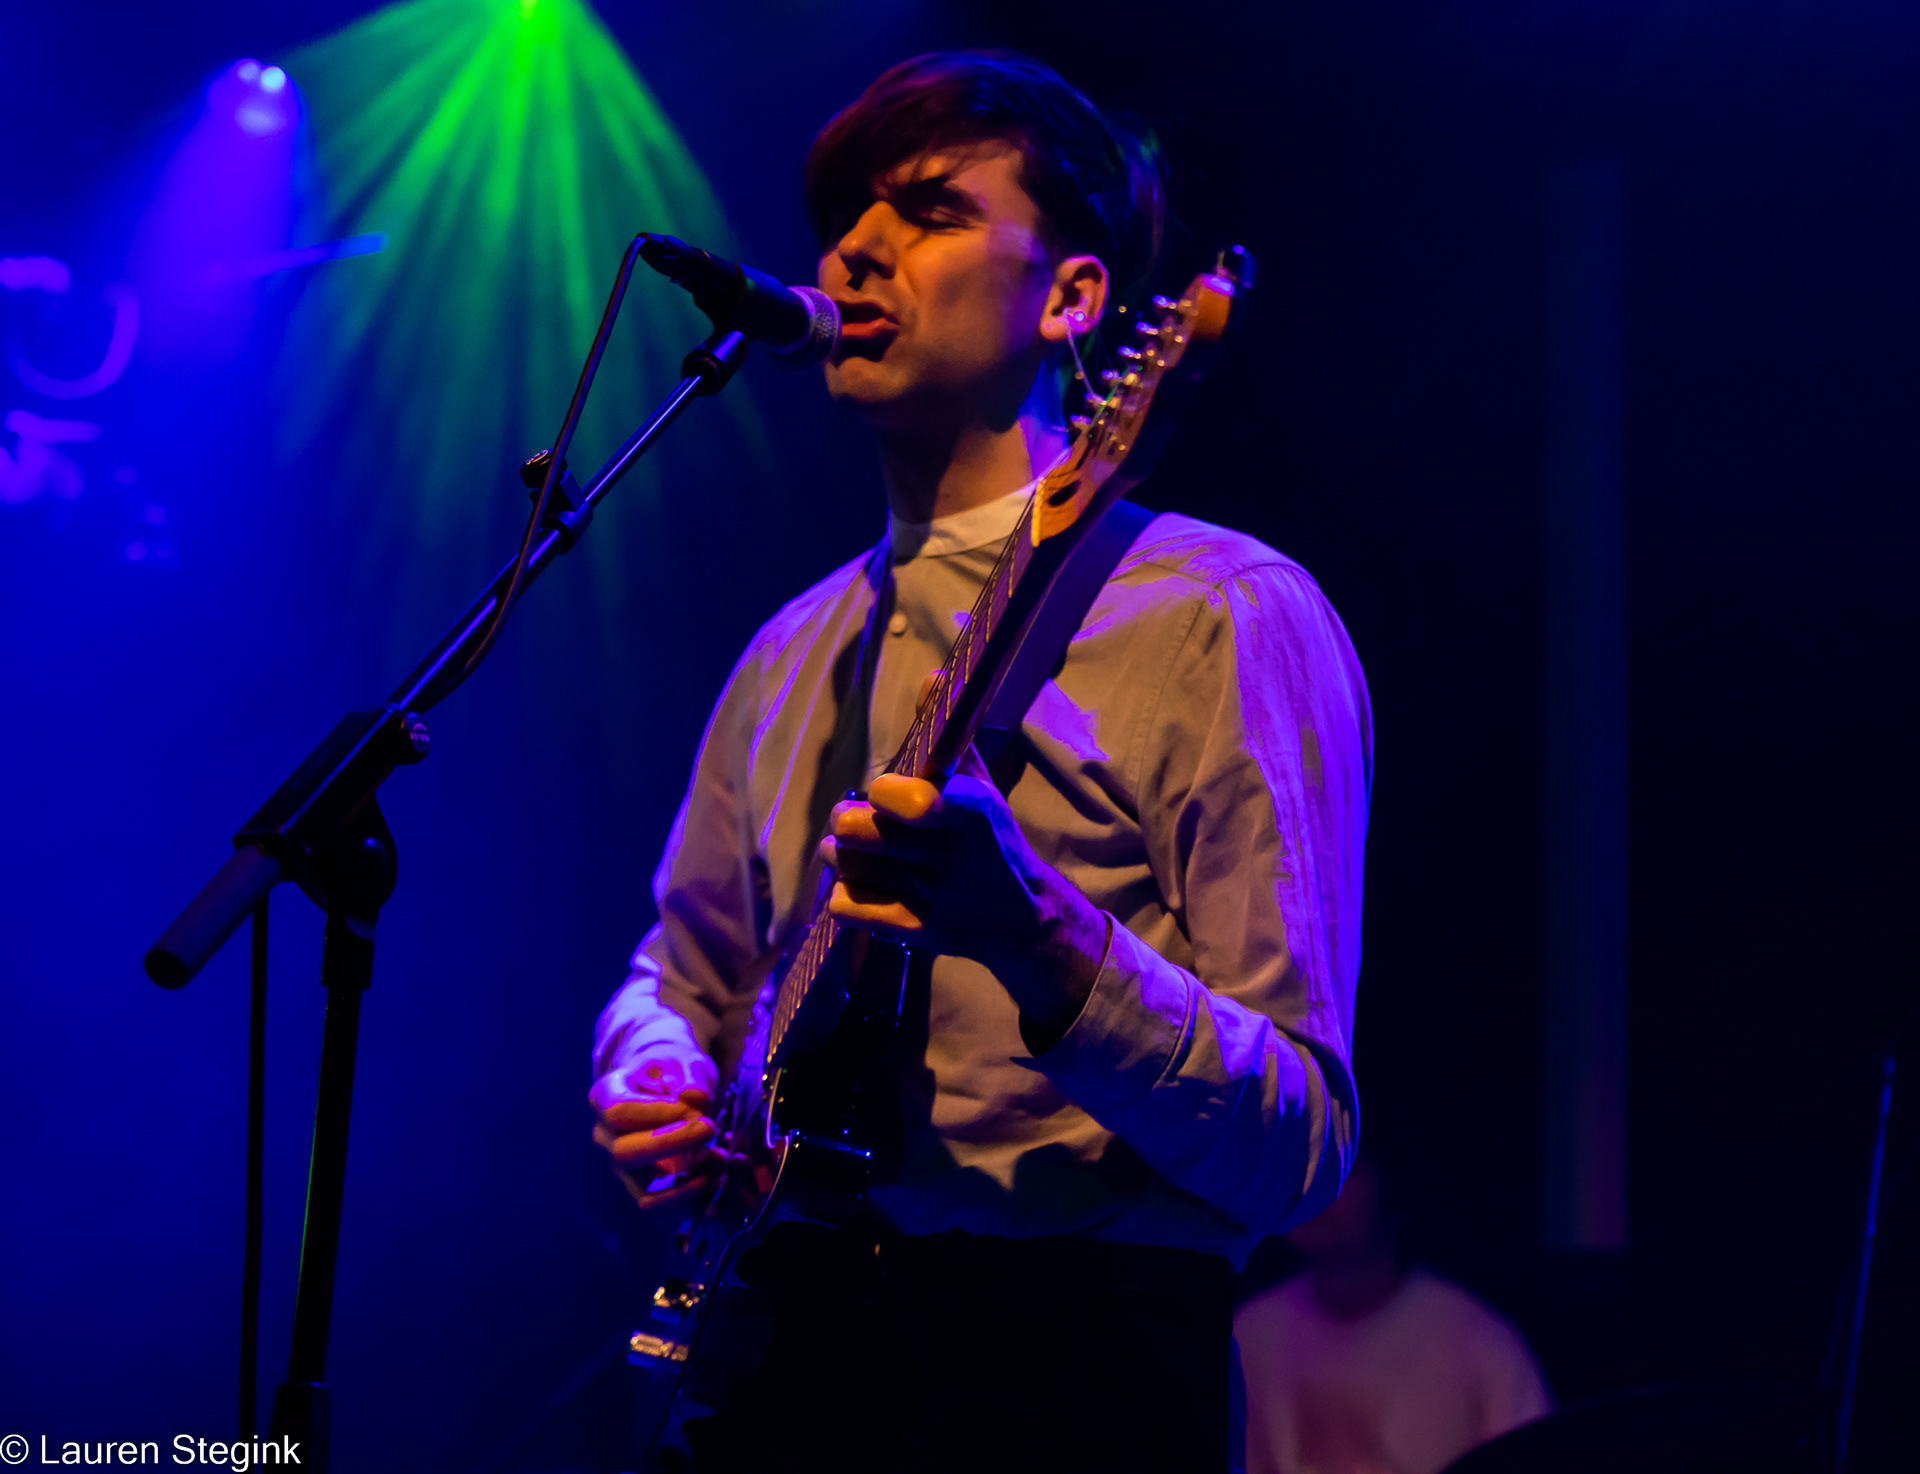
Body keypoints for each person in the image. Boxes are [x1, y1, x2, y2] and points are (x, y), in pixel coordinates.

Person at [588, 50, 1372, 1472]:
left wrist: (1036, 932)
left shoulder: (1224, 612)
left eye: (931, 209)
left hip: (1074, 1366)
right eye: (846, 216)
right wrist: (654, 1063)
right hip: (785, 1345)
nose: (855, 248)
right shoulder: (787, 650)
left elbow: (1300, 1147)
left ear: (1073, 298)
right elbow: (679, 969)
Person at [1234, 1156, 1551, 1474]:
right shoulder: (1252, 1332)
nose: (1315, 1185)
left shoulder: (1479, 1341)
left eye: (1345, 1167)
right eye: (1305, 1161)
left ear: (1393, 1190)